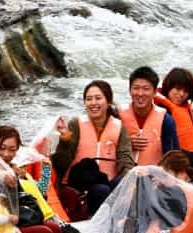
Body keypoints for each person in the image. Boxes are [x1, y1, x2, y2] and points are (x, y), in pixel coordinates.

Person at [51, 80, 135, 215]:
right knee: (101, 190)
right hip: (80, 186)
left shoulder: (119, 127)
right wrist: (65, 140)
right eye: (89, 99)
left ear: (108, 102)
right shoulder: (75, 124)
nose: (93, 103)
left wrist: (129, 182)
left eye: (98, 98)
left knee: (125, 181)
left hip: (107, 182)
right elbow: (60, 164)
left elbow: (126, 160)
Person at [118, 66, 179, 166]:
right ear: (130, 91)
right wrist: (126, 144)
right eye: (136, 88)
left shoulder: (166, 120)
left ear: (155, 92)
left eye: (146, 89)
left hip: (153, 177)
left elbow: (173, 158)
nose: (140, 93)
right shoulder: (117, 116)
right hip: (123, 177)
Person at [155, 67, 193, 152]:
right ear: (168, 87)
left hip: (192, 155)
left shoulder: (185, 108)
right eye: (178, 89)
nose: (181, 94)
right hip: (176, 158)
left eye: (186, 91)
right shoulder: (160, 110)